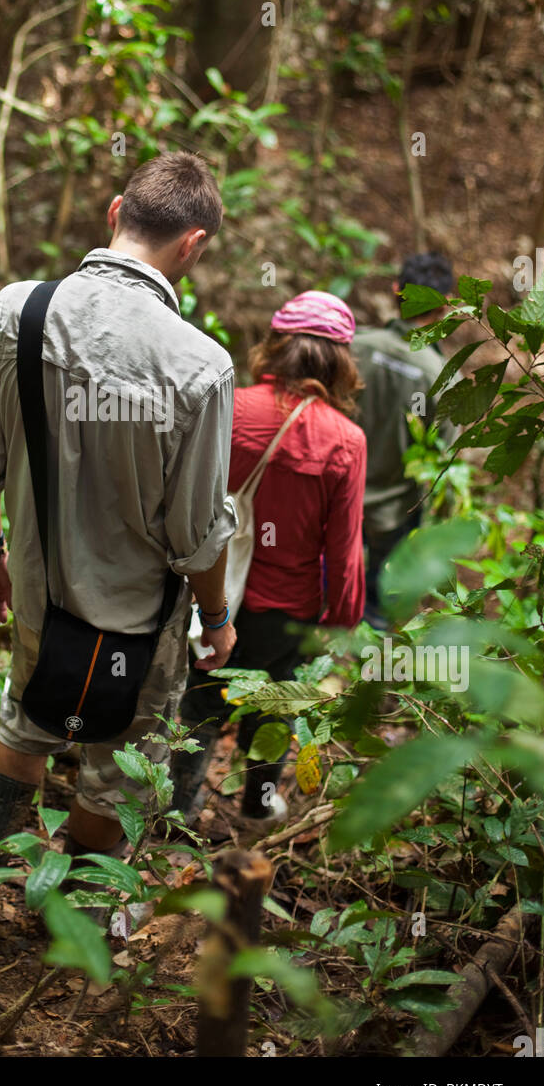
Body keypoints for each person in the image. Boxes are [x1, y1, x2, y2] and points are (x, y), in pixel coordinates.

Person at [0, 151, 239, 945]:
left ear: (115, 211)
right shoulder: (200, 366)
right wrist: (217, 616)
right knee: (116, 757)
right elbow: (197, 533)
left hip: (40, 585)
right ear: (193, 245)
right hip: (138, 620)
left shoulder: (18, 311)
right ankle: (63, 926)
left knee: (26, 718)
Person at [171, 291, 366, 830]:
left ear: (275, 347)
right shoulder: (346, 440)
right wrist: (343, 618)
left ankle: (174, 811)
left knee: (201, 700)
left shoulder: (230, 404)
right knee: (273, 707)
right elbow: (345, 546)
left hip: (212, 594)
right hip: (289, 609)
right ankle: (256, 808)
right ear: (342, 362)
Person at [352, 253, 454, 628]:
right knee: (381, 601)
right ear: (444, 307)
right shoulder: (439, 375)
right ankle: (368, 668)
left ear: (396, 291)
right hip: (394, 509)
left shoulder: (353, 346)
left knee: (325, 587)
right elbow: (443, 454)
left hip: (337, 495)